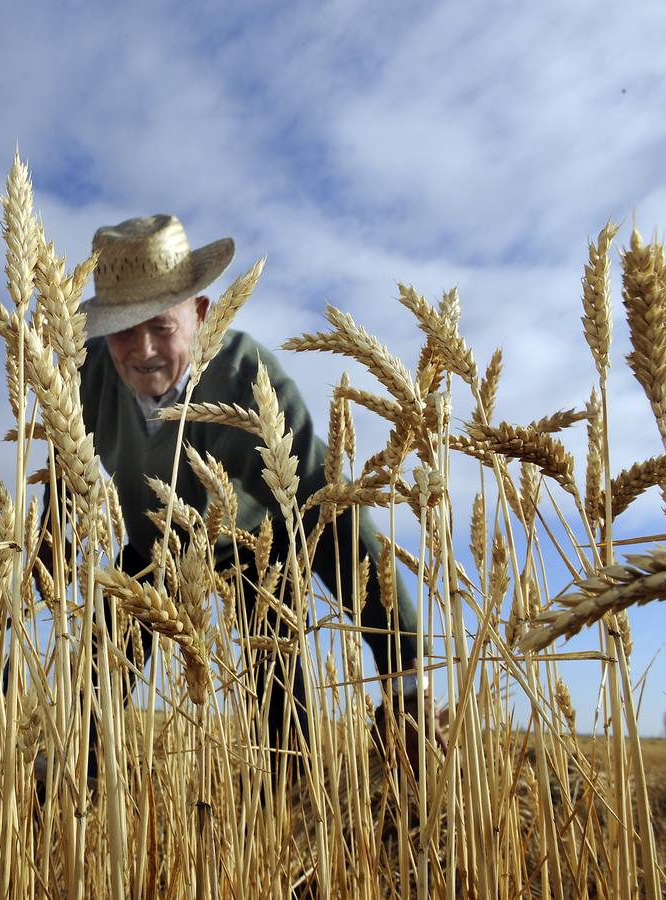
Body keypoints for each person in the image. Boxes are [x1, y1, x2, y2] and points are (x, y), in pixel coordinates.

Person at [60, 213, 434, 783]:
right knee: (95, 670)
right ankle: (76, 789)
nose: (143, 350)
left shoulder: (245, 379)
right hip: (151, 546)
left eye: (161, 325)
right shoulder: (87, 379)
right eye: (124, 331)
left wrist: (403, 677)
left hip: (253, 543)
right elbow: (64, 482)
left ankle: (290, 793)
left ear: (200, 312)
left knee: (275, 676)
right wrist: (42, 564)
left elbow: (329, 512)